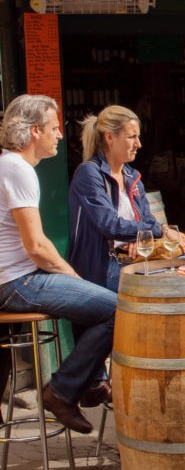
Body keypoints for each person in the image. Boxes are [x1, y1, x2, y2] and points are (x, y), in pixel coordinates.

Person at [0, 95, 117, 434]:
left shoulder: (8, 165)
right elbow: (36, 245)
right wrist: (73, 276)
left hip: (14, 277)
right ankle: (62, 391)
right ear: (34, 131)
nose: (60, 135)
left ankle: (91, 382)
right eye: (53, 128)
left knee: (92, 302)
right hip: (16, 282)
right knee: (117, 308)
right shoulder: (19, 169)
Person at [68, 105, 185, 292]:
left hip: (134, 260)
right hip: (103, 268)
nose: (139, 144)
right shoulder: (89, 173)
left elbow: (146, 221)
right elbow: (110, 224)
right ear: (109, 137)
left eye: (138, 137)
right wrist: (159, 231)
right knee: (174, 283)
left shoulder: (132, 176)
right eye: (132, 137)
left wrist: (139, 238)